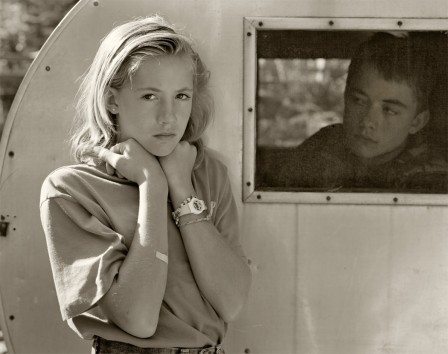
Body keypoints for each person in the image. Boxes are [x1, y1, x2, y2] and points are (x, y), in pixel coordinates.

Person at [40, 15, 251, 353]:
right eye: (150, 96)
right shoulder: (71, 190)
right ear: (111, 100)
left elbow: (231, 302)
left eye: (181, 96)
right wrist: (152, 186)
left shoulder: (208, 174)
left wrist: (181, 188)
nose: (168, 116)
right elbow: (138, 319)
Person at [258, 32, 448, 193]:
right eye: (359, 101)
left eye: (389, 110)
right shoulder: (324, 144)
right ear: (345, 98)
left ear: (417, 122)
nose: (368, 121)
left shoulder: (430, 178)